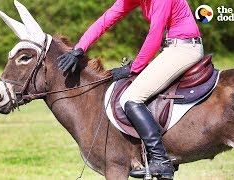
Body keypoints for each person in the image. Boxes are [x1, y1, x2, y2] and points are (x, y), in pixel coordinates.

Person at [57, 0, 204, 178]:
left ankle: (161, 160)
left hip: (184, 49)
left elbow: (155, 34)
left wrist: (133, 68)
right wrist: (78, 49)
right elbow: (105, 20)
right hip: (172, 48)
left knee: (131, 97)